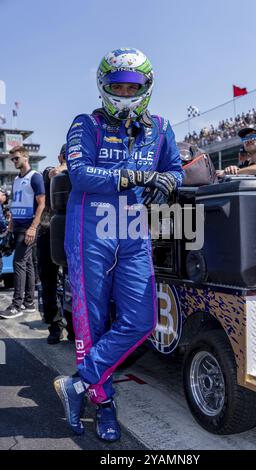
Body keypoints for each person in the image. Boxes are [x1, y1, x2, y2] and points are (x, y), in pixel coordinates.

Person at [53, 47, 183, 442]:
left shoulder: (161, 127)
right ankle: (103, 404)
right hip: (89, 227)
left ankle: (78, 383)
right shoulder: (85, 124)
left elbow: (175, 168)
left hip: (134, 230)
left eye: (133, 86)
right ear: (103, 86)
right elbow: (80, 173)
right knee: (91, 322)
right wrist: (131, 176)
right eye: (118, 86)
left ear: (147, 86)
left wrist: (167, 181)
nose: (125, 93)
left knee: (142, 321)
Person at [0, 146, 45, 319]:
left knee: (19, 262)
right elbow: (15, 205)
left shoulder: (35, 177)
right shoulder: (17, 180)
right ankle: (28, 303)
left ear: (25, 158)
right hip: (17, 226)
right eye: (12, 159)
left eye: (16, 158)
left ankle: (16, 305)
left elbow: (42, 203)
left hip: (28, 226)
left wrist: (33, 227)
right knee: (26, 264)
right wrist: (10, 227)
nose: (14, 161)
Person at [37, 144, 74, 344]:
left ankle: (74, 326)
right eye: (67, 156)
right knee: (48, 281)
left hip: (70, 233)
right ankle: (55, 325)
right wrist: (65, 165)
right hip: (48, 231)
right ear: (61, 156)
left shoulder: (80, 175)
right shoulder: (51, 171)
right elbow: (51, 173)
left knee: (72, 283)